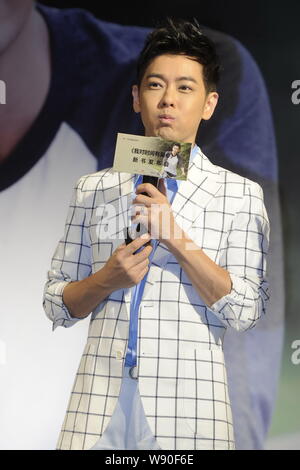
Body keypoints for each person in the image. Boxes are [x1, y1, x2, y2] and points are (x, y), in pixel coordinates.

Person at [0, 1, 283, 450]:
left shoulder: (240, 195)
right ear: (136, 98)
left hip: (188, 413)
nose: (168, 99)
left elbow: (247, 312)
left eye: (185, 88)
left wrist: (178, 239)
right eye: (155, 85)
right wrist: (105, 280)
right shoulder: (93, 188)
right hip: (97, 410)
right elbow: (57, 302)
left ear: (209, 104)